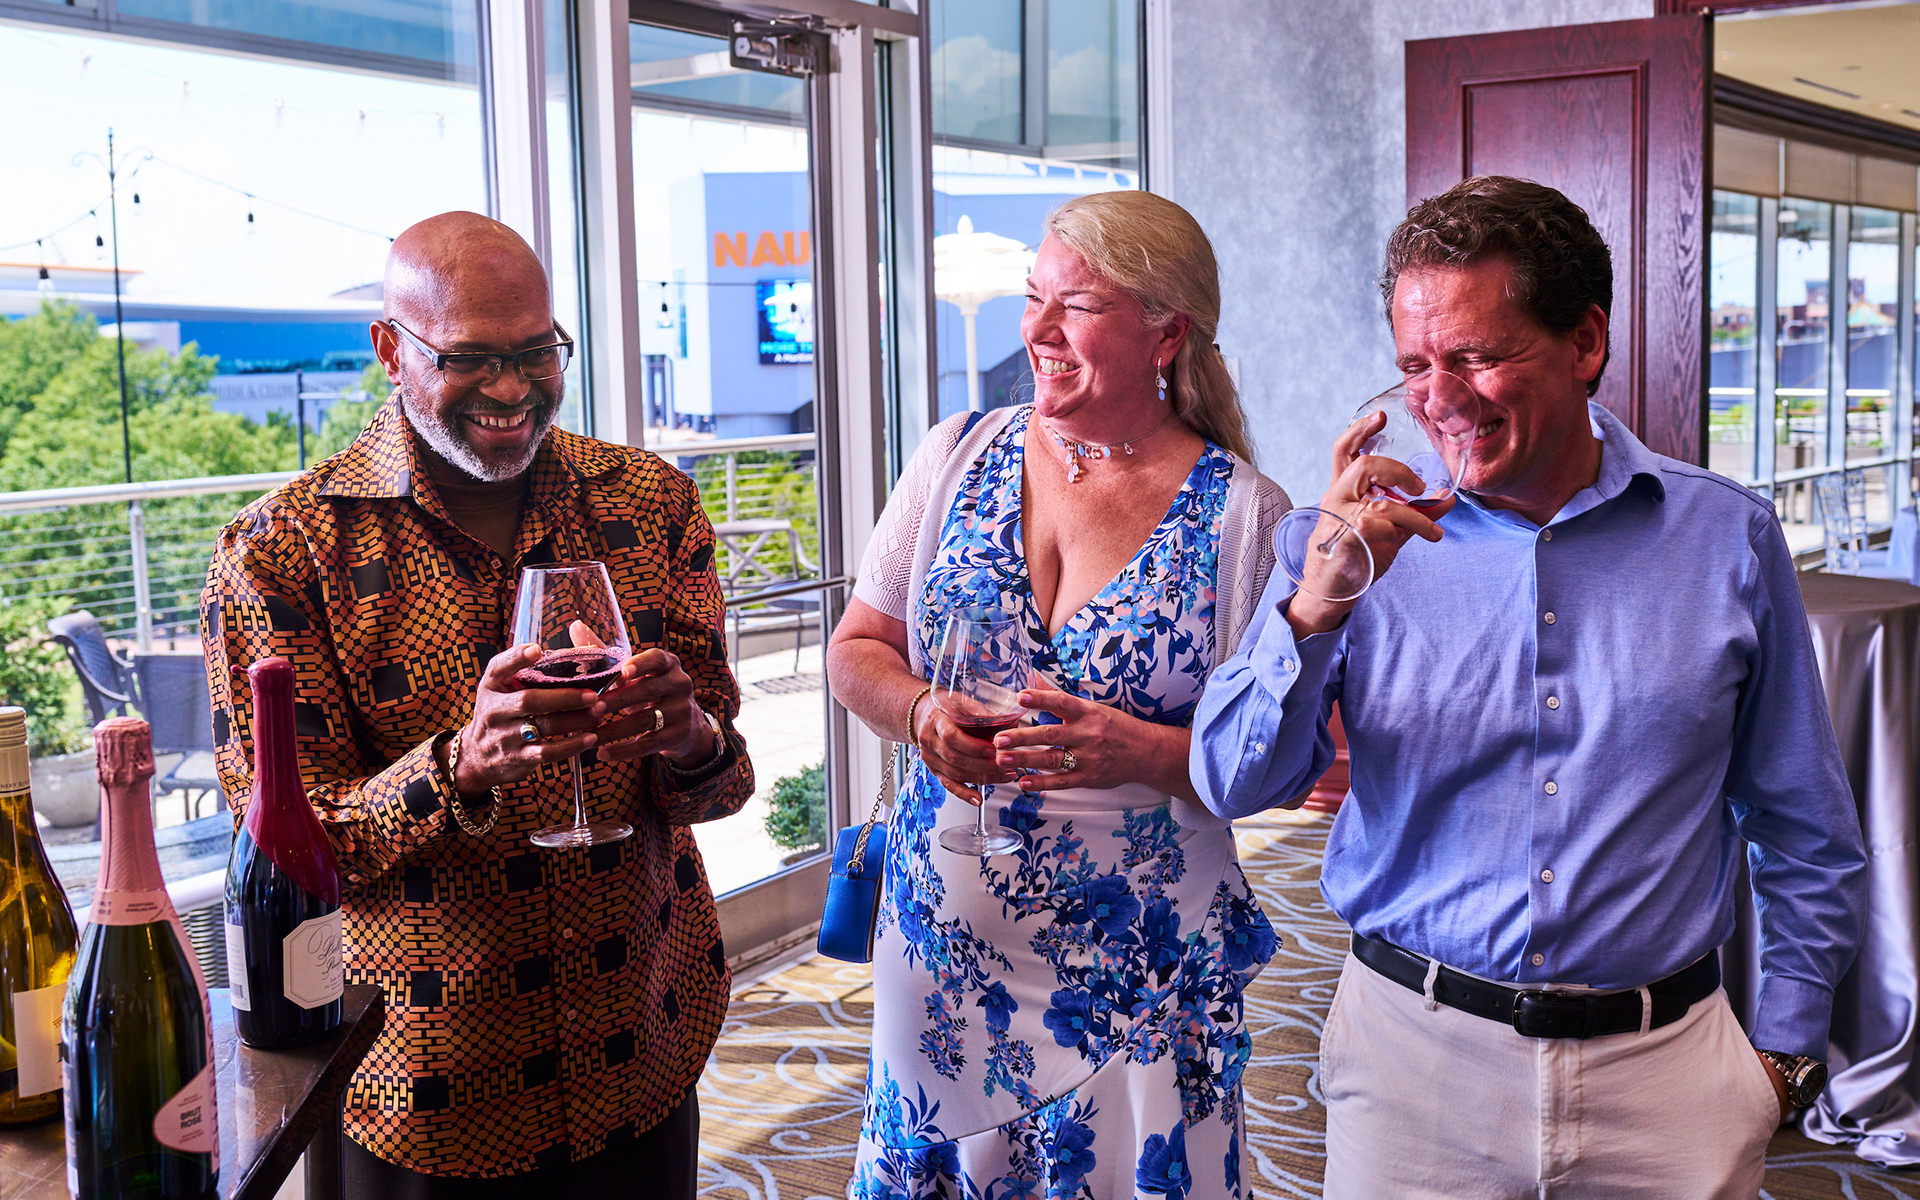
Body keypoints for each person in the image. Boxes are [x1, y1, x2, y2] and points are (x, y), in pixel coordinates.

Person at [1192, 175, 1868, 1198]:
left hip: (1669, 1080)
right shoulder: (1341, 547)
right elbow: (1231, 782)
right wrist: (1315, 602)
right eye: (1414, 365)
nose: (1438, 399)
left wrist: (1784, 1052)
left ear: (1584, 342)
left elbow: (1805, 824)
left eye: (1476, 357)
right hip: (1413, 1069)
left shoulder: (1728, 537)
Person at [201, 211, 753, 1198]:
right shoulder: (280, 554)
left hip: (640, 1042)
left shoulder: (650, 502)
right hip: (425, 1089)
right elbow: (285, 853)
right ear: (390, 350)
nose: (511, 388)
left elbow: (722, 785)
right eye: (471, 359)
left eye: (537, 352)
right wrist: (457, 768)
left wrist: (690, 736)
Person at [827, 190, 1288, 1199]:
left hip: (1138, 985)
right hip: (939, 964)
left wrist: (1138, 751)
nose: (1036, 329)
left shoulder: (1245, 519)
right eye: (1033, 297)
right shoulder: (955, 455)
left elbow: (1271, 767)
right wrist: (919, 712)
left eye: (1075, 306)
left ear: (1167, 332)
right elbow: (857, 649)